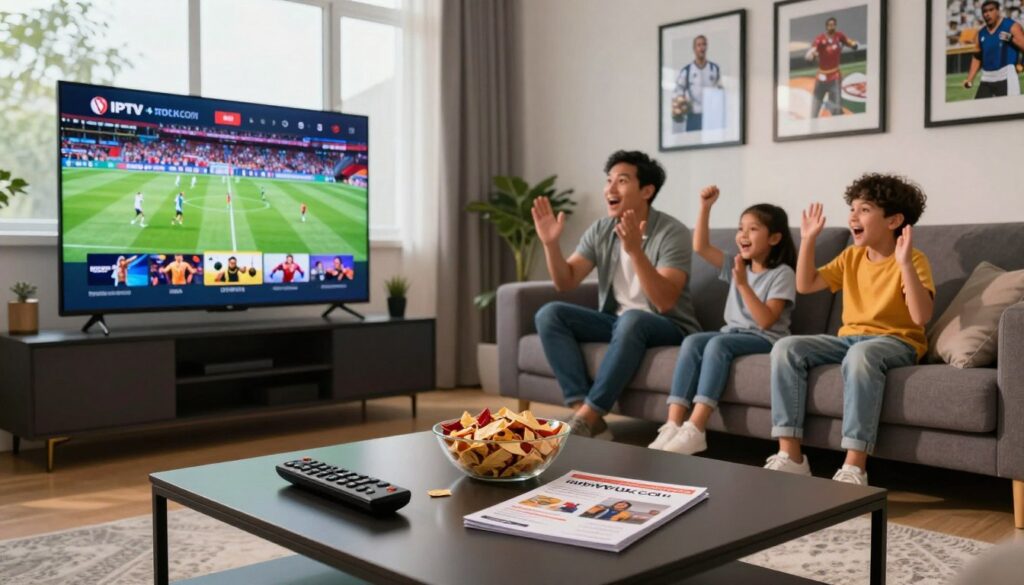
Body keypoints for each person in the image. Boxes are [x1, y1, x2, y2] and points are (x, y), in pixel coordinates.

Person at [765, 173, 933, 486]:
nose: (853, 215)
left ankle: (854, 466)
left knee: (861, 354)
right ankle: (792, 455)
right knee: (786, 347)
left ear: (894, 220)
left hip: (896, 342)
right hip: (850, 338)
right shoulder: (851, 256)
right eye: (852, 208)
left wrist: (906, 265)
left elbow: (921, 316)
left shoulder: (914, 260)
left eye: (865, 209)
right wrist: (809, 240)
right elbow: (806, 284)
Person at [533, 150, 701, 439]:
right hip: (617, 322)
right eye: (608, 180)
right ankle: (584, 415)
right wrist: (551, 244)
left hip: (668, 325)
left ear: (647, 190)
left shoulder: (672, 232)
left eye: (621, 181)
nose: (610, 189)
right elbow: (566, 281)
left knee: (633, 319)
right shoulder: (601, 229)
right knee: (550, 314)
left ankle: (591, 412)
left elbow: (665, 301)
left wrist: (636, 252)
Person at [649, 187, 797, 455]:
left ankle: (696, 427)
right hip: (733, 333)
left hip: (765, 339)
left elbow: (765, 321)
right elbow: (701, 246)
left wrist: (742, 285)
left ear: (774, 237)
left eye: (753, 229)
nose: (743, 234)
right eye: (741, 228)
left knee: (718, 346)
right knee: (694, 341)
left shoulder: (782, 274)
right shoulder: (737, 264)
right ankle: (673, 424)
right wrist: (705, 207)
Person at [963, 1, 1024, 98]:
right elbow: (977, 57)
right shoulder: (981, 33)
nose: (987, 14)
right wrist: (970, 79)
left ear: (998, 11)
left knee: (1008, 110)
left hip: (1006, 75)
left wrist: (1011, 38)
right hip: (987, 77)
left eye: (991, 10)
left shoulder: (1011, 26)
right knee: (979, 110)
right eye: (984, 11)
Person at [805, 17, 859, 118]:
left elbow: (848, 41)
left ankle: (835, 111)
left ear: (835, 25)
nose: (831, 26)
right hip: (822, 77)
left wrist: (853, 44)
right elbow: (813, 49)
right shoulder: (820, 39)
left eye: (833, 24)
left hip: (835, 76)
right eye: (829, 25)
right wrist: (811, 55)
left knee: (836, 107)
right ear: (826, 26)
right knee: (816, 105)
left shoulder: (839, 36)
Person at [672, 35, 722, 132]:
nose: (701, 47)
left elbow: (720, 89)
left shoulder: (714, 68)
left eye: (704, 44)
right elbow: (678, 91)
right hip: (693, 115)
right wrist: (682, 106)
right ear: (694, 48)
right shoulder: (687, 70)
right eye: (699, 45)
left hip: (711, 115)